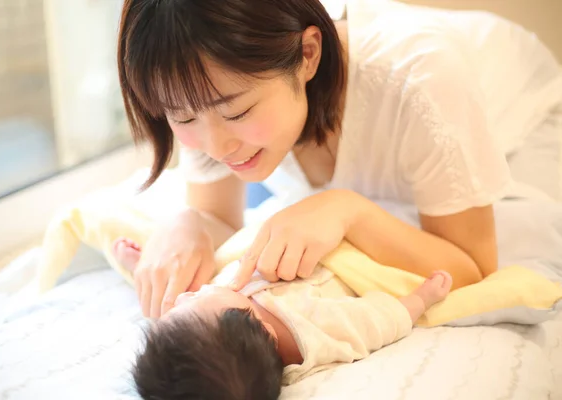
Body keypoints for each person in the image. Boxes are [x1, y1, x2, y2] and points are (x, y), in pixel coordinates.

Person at [116, 0, 562, 318]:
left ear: (308, 55)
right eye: (182, 117)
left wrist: (346, 209)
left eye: (238, 112)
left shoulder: (421, 78)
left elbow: (472, 269)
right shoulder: (207, 83)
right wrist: (189, 223)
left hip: (520, 117)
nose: (216, 147)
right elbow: (215, 212)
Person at [114, 238, 453, 399]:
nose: (190, 294)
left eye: (178, 306)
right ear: (261, 330)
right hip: (338, 251)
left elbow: (183, 307)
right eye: (193, 301)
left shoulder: (222, 321)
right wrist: (419, 299)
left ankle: (143, 269)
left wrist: (138, 266)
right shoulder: (316, 331)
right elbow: (378, 321)